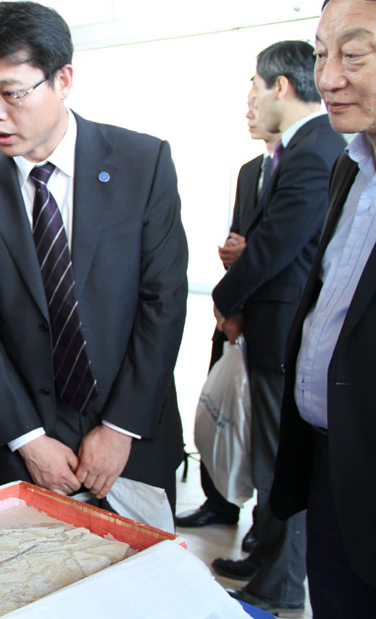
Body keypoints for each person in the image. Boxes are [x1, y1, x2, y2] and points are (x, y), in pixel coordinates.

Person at [0, 1, 188, 523]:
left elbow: (162, 303)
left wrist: (120, 428)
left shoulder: (143, 163)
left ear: (64, 79)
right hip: (27, 435)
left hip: (134, 432)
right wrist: (29, 440)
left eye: (12, 93)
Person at [209, 40, 346, 617]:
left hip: (286, 333)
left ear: (280, 87)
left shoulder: (317, 149)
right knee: (266, 455)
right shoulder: (299, 150)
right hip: (269, 329)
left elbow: (277, 248)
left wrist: (224, 298)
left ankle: (281, 583)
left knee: (274, 462)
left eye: (254, 89)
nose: (251, 101)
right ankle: (265, 558)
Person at [271, 0, 376, 616]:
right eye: (320, 54)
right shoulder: (350, 165)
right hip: (332, 466)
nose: (329, 78)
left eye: (355, 56)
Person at [177, 91, 283, 556]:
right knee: (217, 411)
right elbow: (240, 241)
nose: (248, 111)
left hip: (272, 321)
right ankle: (218, 502)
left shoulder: (316, 161)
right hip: (235, 313)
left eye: (255, 97)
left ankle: (263, 523)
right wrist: (230, 296)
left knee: (262, 429)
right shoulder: (250, 171)